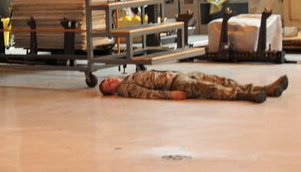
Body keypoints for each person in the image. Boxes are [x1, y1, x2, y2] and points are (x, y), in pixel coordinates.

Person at [99, 70, 289, 102]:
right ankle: (246, 95)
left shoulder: (127, 76)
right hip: (175, 83)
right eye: (108, 85)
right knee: (209, 88)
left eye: (107, 80)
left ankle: (264, 89)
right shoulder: (127, 88)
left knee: (218, 80)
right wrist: (170, 96)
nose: (110, 81)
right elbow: (146, 94)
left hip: (179, 75)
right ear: (112, 92)